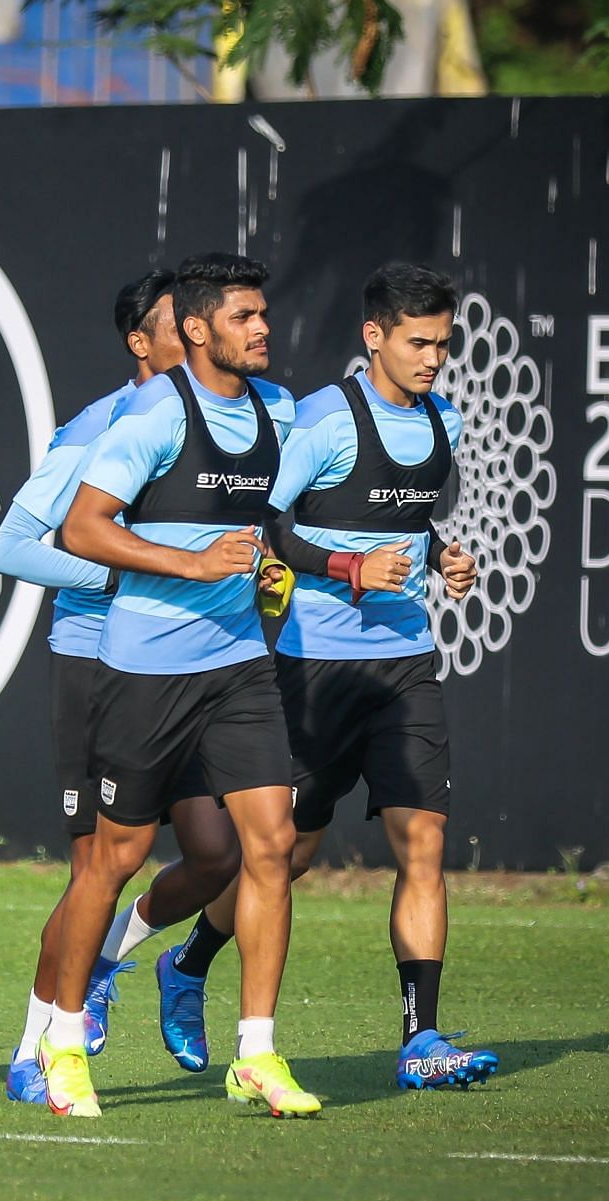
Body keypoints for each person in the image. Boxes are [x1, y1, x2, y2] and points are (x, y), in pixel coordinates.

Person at [185, 262, 497, 1091]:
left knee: (422, 842)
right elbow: (270, 525)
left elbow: (406, 519)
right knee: (286, 855)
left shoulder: (446, 423)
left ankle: (419, 1038)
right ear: (375, 338)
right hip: (313, 668)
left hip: (404, 665)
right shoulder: (324, 421)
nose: (434, 358)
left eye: (443, 343)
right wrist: (352, 572)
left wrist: (445, 560)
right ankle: (189, 964)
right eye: (418, 342)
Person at [52, 254, 314, 1119]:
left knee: (268, 848)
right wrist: (189, 563)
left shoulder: (278, 411)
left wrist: (283, 565)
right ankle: (60, 1037)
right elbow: (82, 528)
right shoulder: (153, 416)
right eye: (244, 317)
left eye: (264, 315)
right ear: (197, 330)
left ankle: (259, 1053)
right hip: (144, 672)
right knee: (116, 858)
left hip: (238, 667)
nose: (263, 329)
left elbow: (275, 523)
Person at [0, 270, 241, 1102]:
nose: (203, 334)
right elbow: (17, 545)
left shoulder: (219, 418)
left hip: (190, 662)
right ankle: (33, 1052)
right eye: (184, 325)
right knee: (98, 865)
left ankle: (106, 963)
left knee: (218, 856)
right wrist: (124, 580)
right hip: (97, 664)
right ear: (144, 343)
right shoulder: (102, 425)